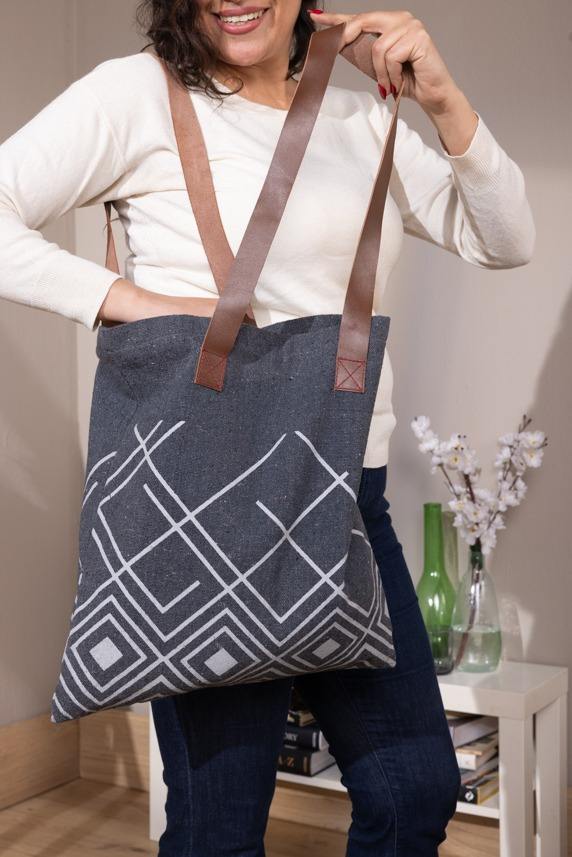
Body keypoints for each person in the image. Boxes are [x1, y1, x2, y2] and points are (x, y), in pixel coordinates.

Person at [0, 0, 534, 853]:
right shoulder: (138, 94)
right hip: (209, 502)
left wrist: (440, 96)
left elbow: (506, 239)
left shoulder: (362, 118)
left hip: (346, 501)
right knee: (220, 827)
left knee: (416, 790)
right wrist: (126, 300)